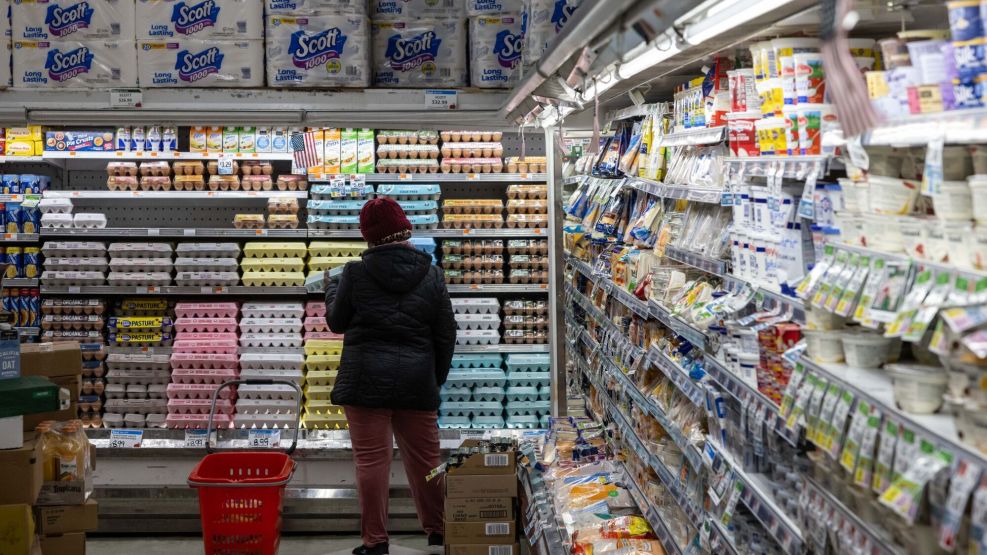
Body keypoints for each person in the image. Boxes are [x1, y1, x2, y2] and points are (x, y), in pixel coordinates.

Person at [326, 196, 457, 555]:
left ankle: (376, 542)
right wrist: (435, 378)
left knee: (371, 463)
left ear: (369, 237)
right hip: (417, 381)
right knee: (429, 463)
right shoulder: (432, 274)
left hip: (365, 381)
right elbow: (447, 333)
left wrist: (331, 290)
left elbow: (336, 322)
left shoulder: (353, 273)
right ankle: (440, 532)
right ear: (405, 227)